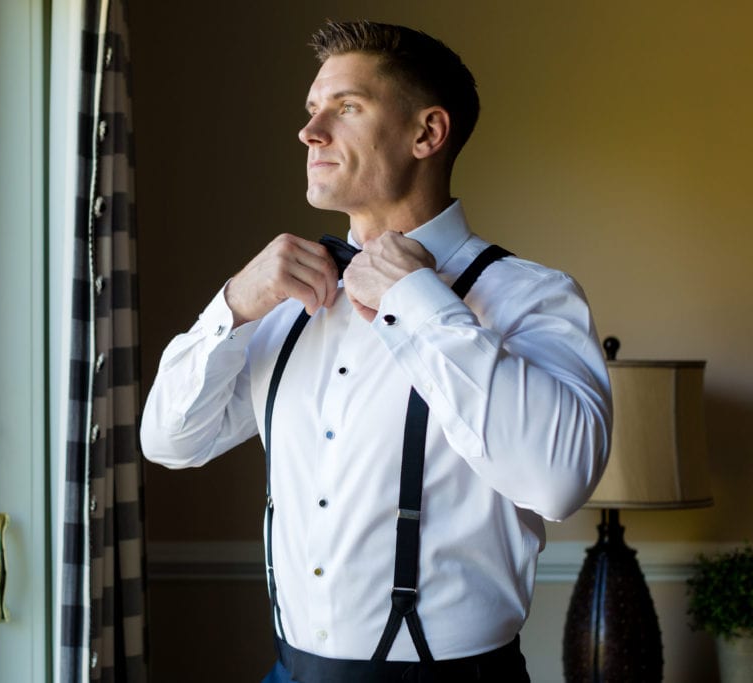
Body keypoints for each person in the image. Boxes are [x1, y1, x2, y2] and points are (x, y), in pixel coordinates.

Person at [140, 19, 611, 683]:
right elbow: (170, 440)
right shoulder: (284, 300)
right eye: (311, 110)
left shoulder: (530, 298)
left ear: (427, 133)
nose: (310, 132)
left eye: (347, 107)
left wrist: (421, 299)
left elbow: (560, 479)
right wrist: (232, 305)